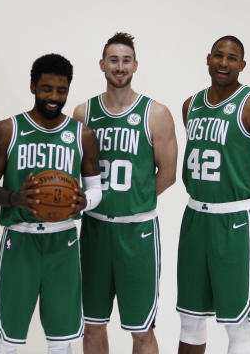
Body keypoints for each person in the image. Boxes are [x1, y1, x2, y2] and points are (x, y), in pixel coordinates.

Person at [0, 53, 102, 354]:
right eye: (47, 89)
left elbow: (96, 189)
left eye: (61, 91)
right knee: (8, 338)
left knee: (62, 340)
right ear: (33, 85)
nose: (54, 97)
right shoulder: (7, 130)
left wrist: (84, 203)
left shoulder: (82, 135)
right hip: (19, 240)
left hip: (62, 242)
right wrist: (13, 198)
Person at [176, 36, 250, 354]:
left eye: (232, 58)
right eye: (219, 56)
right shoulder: (191, 105)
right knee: (190, 320)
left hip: (236, 220)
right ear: (208, 58)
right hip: (196, 216)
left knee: (237, 326)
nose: (224, 63)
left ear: (242, 64)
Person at [72, 32, 177, 354]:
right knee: (91, 327)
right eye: (113, 60)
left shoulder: (155, 113)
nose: (120, 67)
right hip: (95, 229)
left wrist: (135, 200)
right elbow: (72, 173)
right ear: (102, 64)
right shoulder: (82, 113)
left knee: (142, 331)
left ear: (136, 65)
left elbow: (169, 175)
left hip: (138, 233)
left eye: (126, 60)